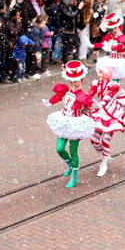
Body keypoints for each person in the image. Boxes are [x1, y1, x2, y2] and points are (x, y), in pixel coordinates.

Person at [42, 60, 96, 188]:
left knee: (73, 151)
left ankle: (74, 177)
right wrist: (49, 102)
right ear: (70, 81)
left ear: (82, 80)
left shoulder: (83, 96)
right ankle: (71, 166)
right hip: (63, 122)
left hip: (76, 125)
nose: (76, 83)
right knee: (59, 149)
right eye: (74, 81)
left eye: (78, 81)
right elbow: (57, 97)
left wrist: (86, 120)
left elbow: (88, 110)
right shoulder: (66, 92)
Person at [88, 65, 125, 177]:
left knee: (105, 141)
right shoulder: (96, 83)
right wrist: (82, 99)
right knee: (94, 140)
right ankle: (105, 156)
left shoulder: (113, 85)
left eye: (101, 73)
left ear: (106, 74)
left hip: (112, 115)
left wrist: (101, 104)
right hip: (100, 114)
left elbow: (108, 97)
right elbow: (90, 94)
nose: (98, 75)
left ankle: (104, 163)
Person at [93, 13, 125, 82]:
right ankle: (110, 90)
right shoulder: (110, 37)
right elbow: (103, 44)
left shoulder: (124, 38)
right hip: (110, 60)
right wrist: (93, 45)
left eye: (115, 28)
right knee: (107, 79)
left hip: (119, 62)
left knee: (114, 82)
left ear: (120, 27)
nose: (114, 30)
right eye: (112, 28)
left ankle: (113, 90)